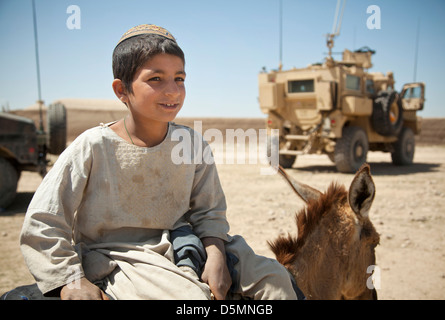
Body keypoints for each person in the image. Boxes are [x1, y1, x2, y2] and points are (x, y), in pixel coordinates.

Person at [17, 24, 302, 300]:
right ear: (121, 90)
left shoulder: (192, 144)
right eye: (156, 79)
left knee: (276, 280)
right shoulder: (93, 146)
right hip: (120, 254)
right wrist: (71, 280)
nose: (173, 91)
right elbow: (44, 220)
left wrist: (216, 256)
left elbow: (209, 213)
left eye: (179, 78)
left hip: (188, 242)